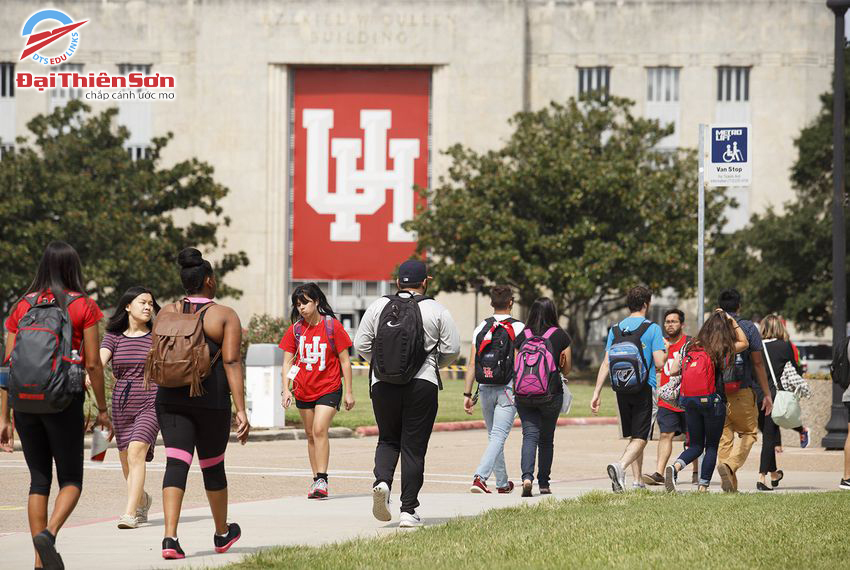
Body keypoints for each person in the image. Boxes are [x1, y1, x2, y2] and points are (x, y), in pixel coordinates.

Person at [0, 241, 113, 570]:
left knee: (38, 480)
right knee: (71, 479)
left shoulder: (22, 306)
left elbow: (8, 366)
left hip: (24, 404)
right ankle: (48, 535)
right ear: (73, 268)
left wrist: (3, 418)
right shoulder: (83, 306)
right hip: (63, 400)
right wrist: (102, 410)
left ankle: (39, 562)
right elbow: (93, 364)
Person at [154, 248, 250, 560]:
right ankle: (222, 533)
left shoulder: (166, 311)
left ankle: (170, 538)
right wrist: (241, 409)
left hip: (170, 398)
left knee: (176, 463)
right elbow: (232, 361)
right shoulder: (224, 315)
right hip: (211, 401)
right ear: (208, 281)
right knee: (212, 465)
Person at [354, 259, 460, 528]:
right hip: (422, 383)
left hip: (382, 384)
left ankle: (382, 482)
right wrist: (433, 364)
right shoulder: (436, 309)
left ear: (398, 282)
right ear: (425, 281)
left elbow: (361, 343)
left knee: (388, 439)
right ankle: (408, 511)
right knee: (413, 447)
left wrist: (381, 365)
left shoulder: (379, 305)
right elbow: (452, 350)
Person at [280, 283, 355, 500]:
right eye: (298, 304)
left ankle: (322, 478)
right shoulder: (295, 330)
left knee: (320, 429)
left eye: (305, 303)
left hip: (329, 388)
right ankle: (316, 482)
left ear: (317, 302)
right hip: (303, 388)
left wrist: (348, 392)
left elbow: (345, 362)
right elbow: (287, 363)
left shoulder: (332, 327)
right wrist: (286, 390)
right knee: (311, 434)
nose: (301, 308)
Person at [662, 310, 749, 491]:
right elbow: (744, 342)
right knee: (711, 446)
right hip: (713, 401)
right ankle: (703, 487)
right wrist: (731, 320)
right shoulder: (721, 346)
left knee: (695, 445)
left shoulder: (690, 344)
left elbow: (673, 370)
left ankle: (675, 467)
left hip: (689, 401)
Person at [591, 285, 666, 492]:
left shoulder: (616, 329)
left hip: (621, 387)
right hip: (644, 387)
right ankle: (620, 466)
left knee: (634, 434)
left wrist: (596, 392)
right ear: (645, 304)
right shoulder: (652, 329)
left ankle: (637, 481)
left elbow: (606, 362)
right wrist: (666, 352)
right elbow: (659, 363)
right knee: (642, 437)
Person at [100, 287, 161, 528]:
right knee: (126, 459)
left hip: (151, 398)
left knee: (137, 453)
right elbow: (100, 360)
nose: (148, 307)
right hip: (121, 403)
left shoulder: (157, 335)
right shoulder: (113, 336)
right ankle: (143, 500)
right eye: (142, 302)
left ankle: (129, 514)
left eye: (151, 303)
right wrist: (87, 374)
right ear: (127, 306)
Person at [463, 285, 524, 494]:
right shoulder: (519, 328)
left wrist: (467, 394)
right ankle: (480, 477)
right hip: (508, 388)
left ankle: (502, 483)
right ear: (511, 302)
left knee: (494, 436)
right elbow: (520, 362)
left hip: (485, 385)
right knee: (498, 435)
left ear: (491, 303)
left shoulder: (481, 327)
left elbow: (472, 363)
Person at [715, 289, 773, 493]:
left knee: (725, 436)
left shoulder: (713, 328)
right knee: (749, 433)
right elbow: (758, 363)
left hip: (718, 392)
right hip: (742, 390)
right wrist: (767, 393)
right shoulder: (748, 327)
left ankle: (730, 485)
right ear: (739, 306)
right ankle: (730, 466)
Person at [513, 297, 571, 497]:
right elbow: (568, 369)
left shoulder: (523, 335)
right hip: (550, 394)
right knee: (546, 439)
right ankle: (544, 483)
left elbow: (516, 366)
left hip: (523, 395)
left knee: (529, 435)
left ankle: (526, 477)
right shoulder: (560, 336)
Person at [642, 309, 698, 486]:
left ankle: (696, 472)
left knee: (693, 437)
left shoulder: (690, 343)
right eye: (667, 322)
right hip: (666, 399)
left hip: (688, 397)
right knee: (665, 434)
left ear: (682, 324)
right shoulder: (659, 344)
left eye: (674, 321)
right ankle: (659, 472)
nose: (670, 325)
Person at [756, 315, 809, 491]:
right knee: (769, 439)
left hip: (756, 396)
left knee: (767, 435)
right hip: (773, 396)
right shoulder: (784, 346)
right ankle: (762, 478)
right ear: (780, 328)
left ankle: (773, 474)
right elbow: (795, 369)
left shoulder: (756, 347)